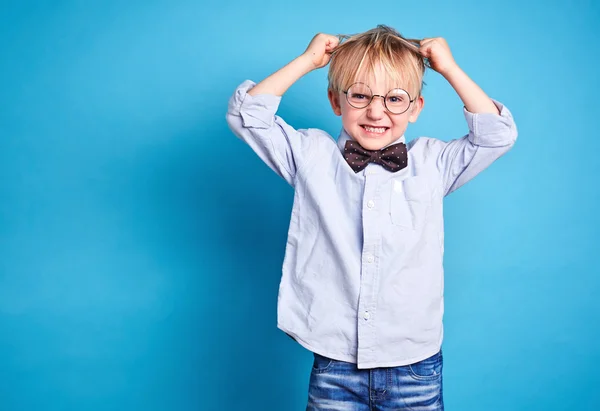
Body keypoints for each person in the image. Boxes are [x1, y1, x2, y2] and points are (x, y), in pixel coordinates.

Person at [226, 24, 517, 411]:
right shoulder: (310, 155)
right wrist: (307, 61)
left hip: (415, 364)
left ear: (416, 109)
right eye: (360, 96)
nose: (376, 111)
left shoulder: (433, 163)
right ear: (336, 101)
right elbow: (247, 115)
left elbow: (497, 134)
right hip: (335, 362)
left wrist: (449, 69)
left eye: (396, 99)